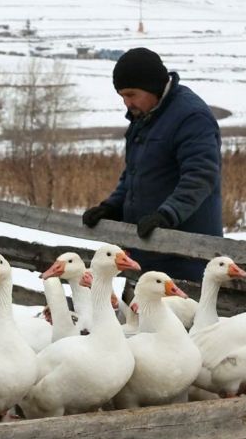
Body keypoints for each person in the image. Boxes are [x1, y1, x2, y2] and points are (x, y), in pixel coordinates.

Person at [81, 47, 223, 282]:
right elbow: (134, 175)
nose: (127, 103)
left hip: (185, 255)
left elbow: (200, 177)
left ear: (153, 87)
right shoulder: (144, 118)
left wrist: (166, 215)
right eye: (122, 96)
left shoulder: (191, 117)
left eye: (132, 94)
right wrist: (111, 208)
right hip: (144, 251)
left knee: (185, 318)